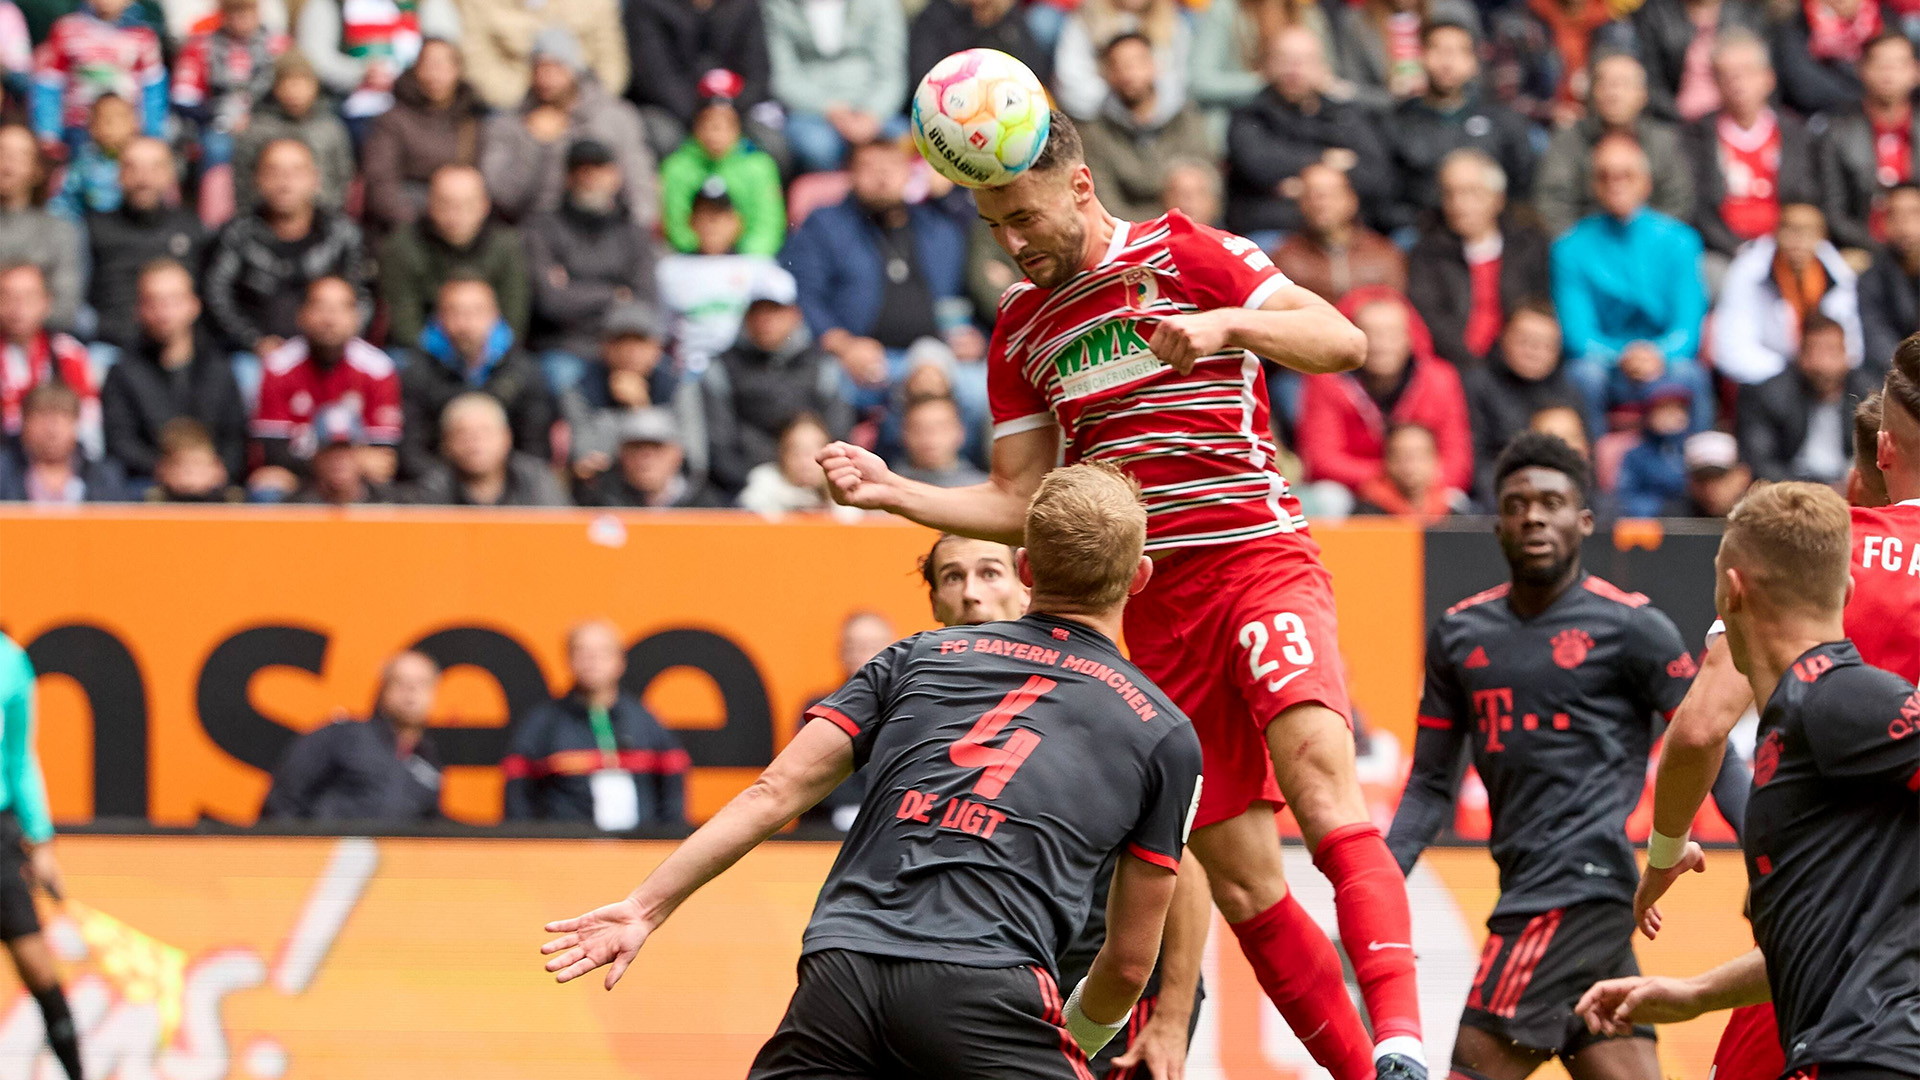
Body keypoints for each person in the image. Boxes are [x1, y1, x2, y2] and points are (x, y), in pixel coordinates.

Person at [818, 111, 1430, 1080]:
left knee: (1320, 776)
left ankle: (1401, 1038)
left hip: (1257, 560)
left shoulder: (1194, 251)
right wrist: (896, 492)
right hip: (1147, 610)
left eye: (1023, 216)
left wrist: (1228, 325)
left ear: (1080, 186)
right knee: (1240, 882)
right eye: (993, 227)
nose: (1014, 244)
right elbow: (1023, 500)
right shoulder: (1021, 325)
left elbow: (1342, 340)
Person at [540, 462, 1203, 1080]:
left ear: (1025, 568)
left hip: (841, 974)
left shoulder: (912, 657)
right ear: (1139, 577)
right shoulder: (1162, 730)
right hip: (989, 989)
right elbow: (1128, 962)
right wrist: (1074, 1044)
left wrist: (642, 909)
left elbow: (773, 793)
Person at [1624, 349, 1920, 1079]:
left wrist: (1664, 854)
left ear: (1883, 448)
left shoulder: (1820, 551)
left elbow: (1698, 728)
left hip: (1823, 922)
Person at [1390, 432, 1715, 1079]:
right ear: (1498, 522)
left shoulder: (1633, 627)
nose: (1533, 515)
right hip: (1548, 893)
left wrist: (1771, 857)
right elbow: (1430, 785)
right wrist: (1376, 878)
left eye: (1550, 502)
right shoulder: (1460, 635)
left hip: (1571, 893)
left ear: (1583, 520)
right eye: (1516, 504)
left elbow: (1710, 745)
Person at [780, 136, 977, 428]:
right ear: (849, 175)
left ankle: (956, 474)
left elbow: (970, 286)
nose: (883, 176)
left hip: (935, 356)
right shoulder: (826, 225)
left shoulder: (936, 226)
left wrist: (977, 339)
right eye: (870, 167)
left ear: (910, 173)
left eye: (892, 166)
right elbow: (803, 294)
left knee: (978, 392)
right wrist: (843, 345)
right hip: (857, 357)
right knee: (829, 384)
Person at [1551, 133, 1712, 435]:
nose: (1616, 183)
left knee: (1691, 374)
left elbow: (1688, 327)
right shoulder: (1570, 247)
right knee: (1582, 375)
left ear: (1646, 182)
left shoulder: (1680, 241)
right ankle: (1593, 475)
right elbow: (1578, 335)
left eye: (1627, 175)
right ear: (1593, 185)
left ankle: (1697, 476)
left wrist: (1659, 355)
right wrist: (1622, 357)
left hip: (1665, 361)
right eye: (1605, 176)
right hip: (1605, 366)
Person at [506, 619, 689, 828]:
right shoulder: (543, 724)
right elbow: (518, 800)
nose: (592, 660)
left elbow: (673, 790)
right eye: (582, 652)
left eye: (603, 652)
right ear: (569, 659)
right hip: (565, 852)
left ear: (620, 661)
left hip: (637, 852)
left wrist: (666, 841)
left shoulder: (646, 722)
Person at [0, 631, 84, 1080]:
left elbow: (19, 758)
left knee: (37, 965)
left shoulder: (9, 663)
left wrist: (41, 841)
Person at [1299, 286, 1474, 500]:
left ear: (1411, 337)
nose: (1381, 345)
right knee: (1328, 497)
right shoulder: (1326, 380)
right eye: (1369, 334)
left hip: (1424, 492)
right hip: (1356, 492)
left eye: (1392, 334)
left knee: (1455, 500)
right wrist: (1392, 477)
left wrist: (1415, 480)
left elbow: (1457, 463)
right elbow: (1321, 460)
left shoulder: (1441, 379)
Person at [203, 138, 368, 363]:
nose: (285, 181)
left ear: (315, 179)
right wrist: (254, 341)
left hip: (329, 353)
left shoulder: (343, 235)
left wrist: (326, 343)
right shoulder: (236, 235)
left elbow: (362, 297)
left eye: (297, 172)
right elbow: (217, 296)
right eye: (274, 172)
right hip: (253, 354)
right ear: (257, 179)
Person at [479, 27, 657, 229]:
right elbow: (505, 198)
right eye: (540, 68)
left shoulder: (614, 117)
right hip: (537, 234)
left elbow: (639, 184)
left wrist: (637, 235)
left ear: (575, 70)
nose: (547, 78)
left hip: (604, 231)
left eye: (557, 67)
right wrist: (536, 144)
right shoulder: (509, 123)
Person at [1224, 27, 1392, 240]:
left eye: (1304, 60)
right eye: (1285, 59)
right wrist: (1325, 160)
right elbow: (1256, 164)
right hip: (1272, 230)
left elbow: (1377, 175)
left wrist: (1305, 185)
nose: (1295, 69)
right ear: (1266, 65)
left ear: (1322, 67)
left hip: (1344, 234)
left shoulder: (1344, 115)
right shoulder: (1249, 115)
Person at [250, 276, 403, 494]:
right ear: (301, 315)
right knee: (268, 486)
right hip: (301, 479)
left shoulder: (378, 368)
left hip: (357, 482)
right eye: (320, 307)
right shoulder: (279, 366)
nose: (329, 319)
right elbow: (273, 451)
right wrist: (336, 463)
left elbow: (384, 455)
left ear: (357, 317)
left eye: (341, 308)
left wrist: (342, 467)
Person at [702, 269, 849, 494]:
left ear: (795, 314)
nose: (765, 320)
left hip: (817, 484)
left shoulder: (822, 365)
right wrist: (758, 481)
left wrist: (819, 479)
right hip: (747, 488)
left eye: (775, 311)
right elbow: (719, 445)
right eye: (757, 311)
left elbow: (839, 432)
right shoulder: (722, 367)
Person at [100, 260, 247, 484]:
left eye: (174, 301)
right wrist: (165, 470)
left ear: (194, 305)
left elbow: (236, 439)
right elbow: (120, 443)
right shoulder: (122, 372)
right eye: (154, 302)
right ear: (138, 309)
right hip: (146, 486)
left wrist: (215, 471)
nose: (164, 312)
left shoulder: (219, 368)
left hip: (213, 486)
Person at [1409, 150, 1555, 369]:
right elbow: (1431, 319)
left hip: (1515, 364)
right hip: (1456, 364)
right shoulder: (1428, 253)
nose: (1459, 204)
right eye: (1450, 194)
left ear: (1497, 199)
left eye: (1471, 193)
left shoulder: (1528, 246)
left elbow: (1538, 305)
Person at [1387, 19, 1536, 231]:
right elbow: (1386, 196)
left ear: (1474, 63)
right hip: (1421, 232)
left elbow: (1523, 184)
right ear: (1421, 57)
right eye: (1437, 49)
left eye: (1458, 51)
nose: (1447, 61)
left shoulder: (1502, 120)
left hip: (1491, 229)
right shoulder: (1397, 121)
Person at [398, 275, 554, 478]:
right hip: (440, 490)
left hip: (510, 491)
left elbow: (536, 449)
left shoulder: (524, 371)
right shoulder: (416, 372)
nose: (466, 323)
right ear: (438, 318)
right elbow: (411, 449)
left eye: (476, 311)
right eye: (455, 312)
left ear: (495, 315)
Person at [525, 140, 659, 374]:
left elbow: (646, 301)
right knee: (560, 375)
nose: (589, 178)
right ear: (568, 177)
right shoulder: (542, 229)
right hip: (566, 346)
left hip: (625, 348)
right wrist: (615, 294)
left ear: (615, 175)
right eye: (581, 170)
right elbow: (551, 303)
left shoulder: (634, 232)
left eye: (599, 169)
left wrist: (575, 290)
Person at [261, 651, 444, 821]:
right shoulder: (343, 736)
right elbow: (284, 797)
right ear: (383, 689)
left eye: (422, 683)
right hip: (327, 852)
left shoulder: (430, 759)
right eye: (400, 682)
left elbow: (429, 828)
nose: (411, 691)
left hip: (392, 855)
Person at [1684, 32, 1816, 264]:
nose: (1737, 83)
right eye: (1727, 75)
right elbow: (1697, 208)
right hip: (1723, 251)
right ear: (1714, 82)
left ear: (1769, 78)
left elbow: (1809, 198)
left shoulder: (1796, 133)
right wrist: (1738, 249)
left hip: (1788, 249)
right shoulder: (1697, 136)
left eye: (1747, 72)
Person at [1534, 52, 1693, 237]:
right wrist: (1580, 249)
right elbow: (1553, 203)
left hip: (1651, 249)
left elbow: (1677, 203)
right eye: (1606, 84)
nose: (1614, 94)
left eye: (1624, 84)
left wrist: (1645, 245)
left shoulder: (1664, 141)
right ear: (1592, 93)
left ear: (1643, 95)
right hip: (1585, 250)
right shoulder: (1568, 141)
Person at [380, 163, 531, 352]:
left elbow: (513, 320)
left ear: (484, 205)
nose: (456, 215)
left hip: (490, 353)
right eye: (446, 203)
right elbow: (405, 323)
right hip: (423, 354)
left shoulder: (506, 245)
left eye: (466, 204)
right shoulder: (402, 246)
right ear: (430, 204)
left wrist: (481, 358)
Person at [1712, 204, 1864, 386]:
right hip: (1769, 377)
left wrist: (1828, 366)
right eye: (1790, 230)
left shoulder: (1838, 273)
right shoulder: (1748, 270)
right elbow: (1732, 350)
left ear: (1822, 237)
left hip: (1826, 377)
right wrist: (1792, 374)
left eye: (1808, 231)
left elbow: (1853, 343)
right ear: (1776, 233)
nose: (1798, 239)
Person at [360, 38, 488, 240]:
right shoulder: (392, 121)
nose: (436, 73)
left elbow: (483, 181)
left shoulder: (472, 120)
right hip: (409, 227)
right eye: (429, 64)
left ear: (458, 70)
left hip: (463, 226)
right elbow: (381, 186)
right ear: (416, 70)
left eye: (443, 65)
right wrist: (428, 225)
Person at [169, 0, 286, 219]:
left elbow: (293, 86)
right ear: (222, 13)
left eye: (247, 11)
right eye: (234, 11)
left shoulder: (278, 46)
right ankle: (215, 222)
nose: (241, 18)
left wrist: (255, 117)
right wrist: (221, 114)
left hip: (269, 120)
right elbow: (182, 98)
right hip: (214, 124)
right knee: (216, 146)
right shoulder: (201, 46)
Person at [83, 138, 204, 350]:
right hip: (110, 345)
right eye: (132, 168)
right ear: (118, 175)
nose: (144, 179)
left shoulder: (191, 228)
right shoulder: (93, 228)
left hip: (178, 346)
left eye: (155, 168)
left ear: (170, 175)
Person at [1078, 32, 1211, 224]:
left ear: (1154, 66)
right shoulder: (1095, 133)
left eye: (1135, 63)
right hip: (1133, 237)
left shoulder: (1186, 118)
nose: (1128, 74)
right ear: (1107, 75)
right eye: (1119, 66)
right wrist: (1160, 225)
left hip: (1194, 228)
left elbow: (1207, 185)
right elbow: (1106, 205)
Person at [763, 0, 907, 175]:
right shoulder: (777, 7)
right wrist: (830, 108)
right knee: (818, 148)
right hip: (812, 112)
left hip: (874, 109)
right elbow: (782, 78)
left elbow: (891, 73)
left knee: (905, 141)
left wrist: (872, 114)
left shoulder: (880, 4)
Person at [1735, 312, 1883, 483]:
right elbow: (1760, 461)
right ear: (1800, 355)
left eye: (1831, 351)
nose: (1823, 364)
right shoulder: (1770, 395)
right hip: (1793, 490)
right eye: (1815, 351)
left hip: (1853, 487)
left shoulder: (1869, 394)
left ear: (1846, 354)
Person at [1464, 299, 1587, 502]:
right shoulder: (1478, 385)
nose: (1534, 352)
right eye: (1525, 341)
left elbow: (1583, 458)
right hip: (1496, 499)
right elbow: (1475, 458)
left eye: (1545, 345)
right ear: (1503, 337)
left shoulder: (1570, 389)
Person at [658, 180, 783, 374]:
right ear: (691, 221)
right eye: (705, 215)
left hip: (745, 372)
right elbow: (660, 332)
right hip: (687, 370)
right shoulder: (669, 269)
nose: (712, 224)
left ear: (737, 222)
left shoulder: (761, 269)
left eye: (719, 216)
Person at [658, 70, 784, 258]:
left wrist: (742, 258)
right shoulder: (676, 167)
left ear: (738, 128)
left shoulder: (759, 167)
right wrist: (701, 250)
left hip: (745, 263)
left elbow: (768, 225)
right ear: (696, 126)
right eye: (708, 124)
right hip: (691, 261)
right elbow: (674, 224)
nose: (715, 134)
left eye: (725, 125)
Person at [1814, 31, 1919, 255]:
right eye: (1880, 64)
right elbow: (1834, 211)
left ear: (1915, 71)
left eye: (1898, 64)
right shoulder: (1837, 133)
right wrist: (1879, 248)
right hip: (1862, 248)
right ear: (1861, 70)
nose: (1888, 73)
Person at [622, 0, 772, 152]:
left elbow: (757, 74)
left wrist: (725, 114)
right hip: (670, 111)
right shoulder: (646, 5)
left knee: (771, 142)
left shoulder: (745, 5)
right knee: (664, 138)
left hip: (735, 110)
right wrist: (704, 117)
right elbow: (655, 78)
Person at [293, 0, 460, 131]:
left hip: (417, 110)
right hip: (347, 112)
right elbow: (312, 59)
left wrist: (405, 80)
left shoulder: (428, 4)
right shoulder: (329, 5)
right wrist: (360, 72)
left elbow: (445, 54)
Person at [29, 0, 163, 154]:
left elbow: (153, 90)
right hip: (76, 130)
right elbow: (49, 84)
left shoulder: (144, 35)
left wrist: (152, 135)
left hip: (127, 132)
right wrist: (48, 133)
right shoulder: (67, 29)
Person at [232, 52, 355, 216]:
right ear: (275, 88)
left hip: (321, 218)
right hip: (267, 219)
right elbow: (243, 180)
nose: (295, 92)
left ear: (315, 86)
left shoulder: (331, 128)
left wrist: (327, 215)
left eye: (302, 83)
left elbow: (343, 176)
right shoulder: (257, 129)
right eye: (288, 83)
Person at [1610, 0, 1765, 123]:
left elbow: (1763, 78)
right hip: (1674, 121)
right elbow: (1650, 81)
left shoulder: (1748, 15)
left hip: (1733, 121)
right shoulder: (1655, 13)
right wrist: (1679, 117)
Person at [458, 0, 627, 113]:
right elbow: (478, 61)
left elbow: (611, 63)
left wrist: (577, 105)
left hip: (586, 102)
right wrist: (528, 105)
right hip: (511, 106)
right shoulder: (478, 4)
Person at [406, 391, 569, 506]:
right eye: (463, 434)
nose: (475, 443)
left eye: (485, 432)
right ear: (446, 443)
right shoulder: (433, 487)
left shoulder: (536, 480)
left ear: (506, 437)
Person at [1271, 163, 1406, 303]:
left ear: (1351, 199)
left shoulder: (1383, 253)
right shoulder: (1285, 258)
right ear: (1301, 203)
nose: (1321, 204)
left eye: (1330, 194)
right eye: (1312, 195)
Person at [0, 262, 94, 453]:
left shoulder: (69, 353)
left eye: (28, 297)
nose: (18, 307)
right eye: (7, 296)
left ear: (47, 302)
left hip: (59, 461)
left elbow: (88, 427)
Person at [1051, 0, 1189, 122]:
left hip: (1160, 125)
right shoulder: (1083, 21)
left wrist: (1146, 108)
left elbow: (1179, 85)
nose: (1131, 71)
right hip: (1100, 123)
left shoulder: (1174, 24)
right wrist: (1119, 101)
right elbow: (1071, 85)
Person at [0, 125, 80, 331]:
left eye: (20, 155)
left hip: (42, 344)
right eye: (2, 152)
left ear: (37, 170)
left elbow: (66, 307)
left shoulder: (61, 230)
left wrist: (19, 320)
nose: (8, 164)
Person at [574, 407, 726, 508]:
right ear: (621, 455)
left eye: (656, 447)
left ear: (677, 454)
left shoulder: (707, 507)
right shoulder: (601, 502)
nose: (646, 458)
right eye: (636, 447)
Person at [0, 382, 125, 502]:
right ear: (25, 423)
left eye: (62, 419)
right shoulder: (4, 474)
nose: (51, 431)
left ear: (76, 423)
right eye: (42, 418)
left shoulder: (104, 478)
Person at [1774, 0, 1888, 117]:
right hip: (1813, 117)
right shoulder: (1797, 23)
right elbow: (1804, 86)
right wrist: (1863, 96)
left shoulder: (1882, 19)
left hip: (1871, 115)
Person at [908, 0, 1049, 90]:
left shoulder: (1011, 22)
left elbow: (1034, 77)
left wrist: (992, 22)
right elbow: (925, 78)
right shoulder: (937, 16)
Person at [1860, 182, 1920, 373]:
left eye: (1914, 213)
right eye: (1895, 215)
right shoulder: (1871, 278)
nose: (1905, 224)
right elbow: (1876, 340)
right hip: (1896, 379)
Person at [1351, 422, 1468, 520]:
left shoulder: (1451, 516)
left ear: (1434, 460)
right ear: (1387, 461)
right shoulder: (1367, 514)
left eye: (1419, 455)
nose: (1410, 464)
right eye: (1401, 455)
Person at [739, 411, 844, 516]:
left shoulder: (842, 487)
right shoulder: (763, 486)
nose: (805, 463)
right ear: (782, 455)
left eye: (811, 452)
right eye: (796, 452)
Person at [1616, 380, 1696, 518]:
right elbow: (1626, 498)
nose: (1671, 415)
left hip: (1695, 523)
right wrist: (1661, 510)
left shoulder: (1697, 450)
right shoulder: (1636, 456)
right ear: (1648, 415)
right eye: (1663, 409)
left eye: (1678, 408)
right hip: (1652, 526)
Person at [50, 91, 133, 218]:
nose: (111, 124)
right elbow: (63, 204)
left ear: (134, 124)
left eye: (119, 116)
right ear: (92, 127)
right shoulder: (82, 166)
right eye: (104, 118)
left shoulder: (143, 164)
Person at [288, 412, 398, 505]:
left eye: (346, 449)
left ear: (362, 454)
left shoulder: (388, 504)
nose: (339, 459)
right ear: (316, 456)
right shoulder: (296, 508)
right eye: (330, 450)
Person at [894, 394, 987, 488]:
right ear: (903, 433)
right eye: (919, 429)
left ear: (960, 432)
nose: (931, 437)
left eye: (941, 427)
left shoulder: (983, 490)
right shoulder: (887, 488)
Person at [1663, 430, 1751, 516]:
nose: (1710, 490)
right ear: (1689, 481)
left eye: (1719, 478)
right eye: (1701, 479)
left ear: (1742, 477)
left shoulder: (1758, 518)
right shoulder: (1675, 519)